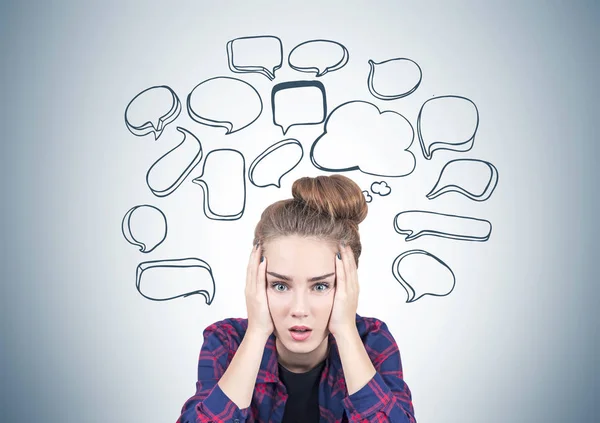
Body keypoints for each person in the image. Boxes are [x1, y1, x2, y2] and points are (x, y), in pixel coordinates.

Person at [176, 174, 416, 423]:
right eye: (280, 285)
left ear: (348, 284)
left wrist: (345, 331)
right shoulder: (225, 341)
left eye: (321, 286)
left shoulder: (372, 341)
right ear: (257, 282)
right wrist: (257, 333)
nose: (299, 309)